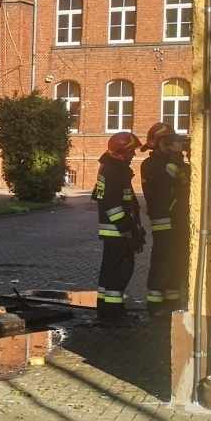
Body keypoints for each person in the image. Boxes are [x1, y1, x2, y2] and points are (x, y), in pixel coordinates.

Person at [140, 123, 190, 318]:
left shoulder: (175, 162)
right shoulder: (150, 165)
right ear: (156, 143)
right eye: (167, 142)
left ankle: (172, 304)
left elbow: (187, 181)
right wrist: (176, 155)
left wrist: (190, 154)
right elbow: (167, 177)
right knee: (162, 263)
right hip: (163, 221)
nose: (170, 146)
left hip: (179, 222)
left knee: (178, 264)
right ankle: (155, 307)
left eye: (172, 141)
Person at [91, 131, 143, 322]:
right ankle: (113, 314)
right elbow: (112, 204)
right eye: (131, 151)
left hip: (111, 230)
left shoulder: (108, 168)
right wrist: (125, 228)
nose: (134, 155)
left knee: (109, 271)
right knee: (120, 271)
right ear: (122, 152)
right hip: (117, 231)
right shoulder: (115, 171)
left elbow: (100, 196)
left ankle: (106, 310)